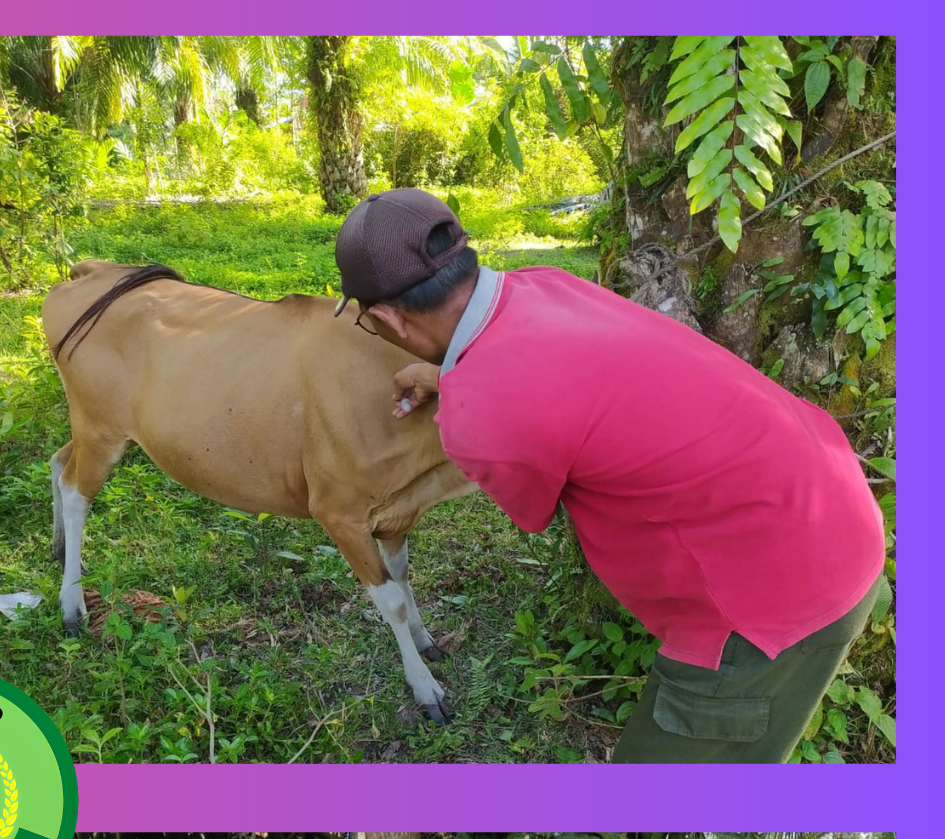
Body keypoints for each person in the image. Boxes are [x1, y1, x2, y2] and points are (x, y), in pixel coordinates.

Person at [332, 188, 886, 763]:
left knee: (654, 818)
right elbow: (569, 379)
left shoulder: (480, 419)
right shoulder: (544, 283)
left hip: (778, 599)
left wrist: (465, 398)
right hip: (832, 502)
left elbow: (532, 504)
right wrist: (452, 377)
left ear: (387, 317)